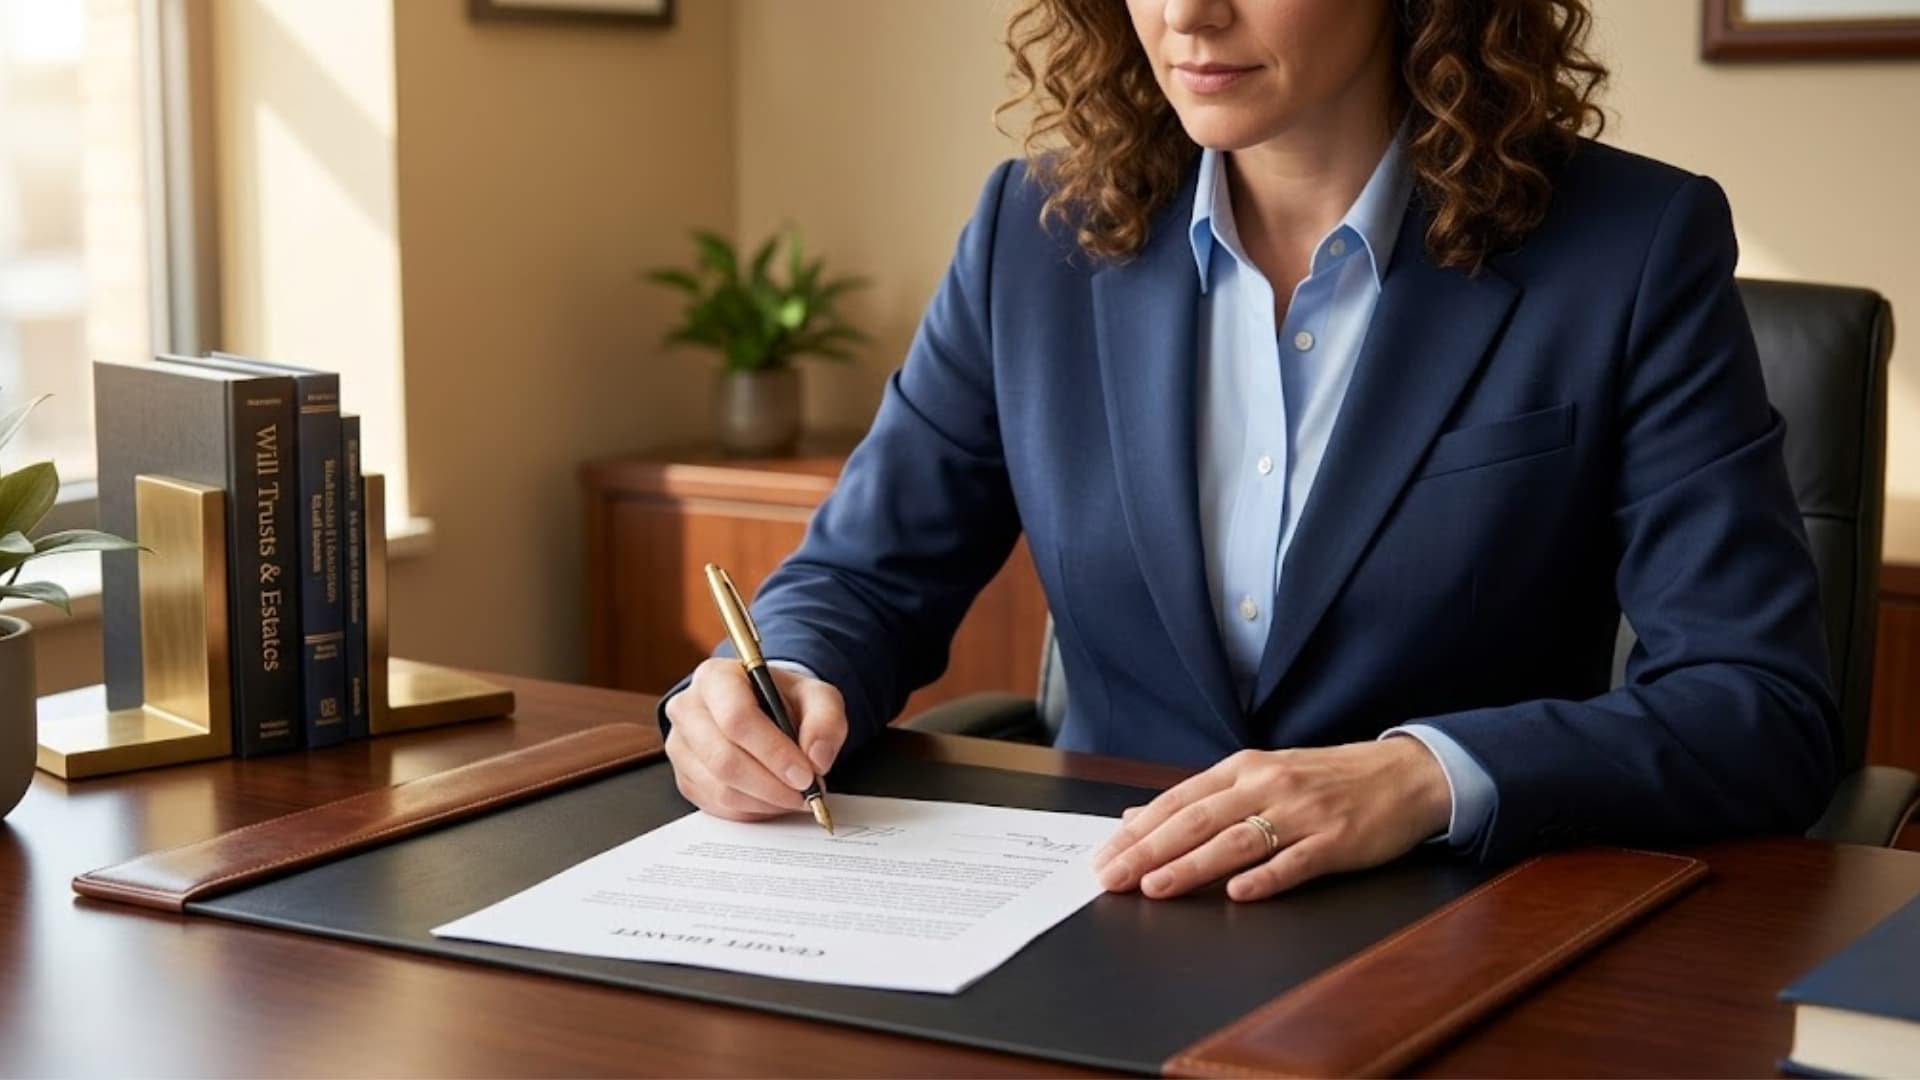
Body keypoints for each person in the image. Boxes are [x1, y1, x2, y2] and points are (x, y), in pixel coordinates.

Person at [660, 0, 1838, 903]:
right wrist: (780, 683)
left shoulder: (1629, 250)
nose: (1188, 13)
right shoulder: (1032, 234)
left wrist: (1421, 777)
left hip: (1460, 929)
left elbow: (1760, 703)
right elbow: (861, 577)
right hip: (1092, 922)